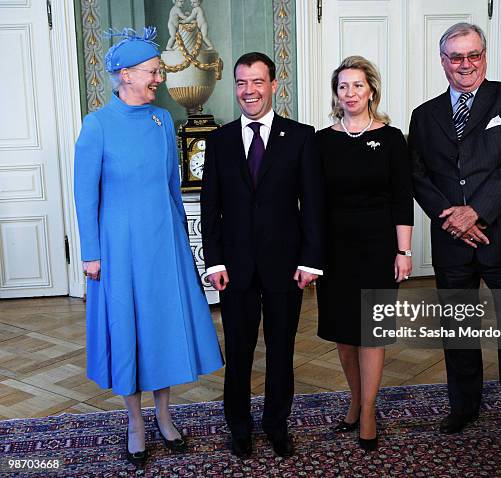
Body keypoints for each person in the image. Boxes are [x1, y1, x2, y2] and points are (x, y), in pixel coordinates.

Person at [74, 27, 223, 468]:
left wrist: (181, 240)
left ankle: (163, 415)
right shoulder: (97, 125)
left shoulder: (162, 122)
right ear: (125, 75)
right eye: (153, 71)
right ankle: (135, 422)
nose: (159, 78)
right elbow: (86, 195)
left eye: (158, 71)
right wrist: (91, 253)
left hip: (164, 246)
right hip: (119, 251)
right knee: (128, 331)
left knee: (161, 331)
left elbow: (173, 189)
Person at [407, 22, 501, 461]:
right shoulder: (424, 114)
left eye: (473, 55)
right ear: (443, 61)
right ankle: (463, 408)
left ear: (484, 56)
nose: (465, 65)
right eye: (455, 57)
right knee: (459, 332)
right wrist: (454, 220)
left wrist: (477, 211)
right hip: (452, 241)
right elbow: (418, 175)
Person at [200, 52, 324, 458]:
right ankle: (238, 426)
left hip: (286, 268)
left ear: (274, 85)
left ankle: (276, 424)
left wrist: (309, 261)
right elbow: (210, 208)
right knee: (237, 351)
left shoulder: (302, 137)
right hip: (233, 270)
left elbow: (313, 205)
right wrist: (215, 262)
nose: (248, 91)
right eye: (240, 83)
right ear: (233, 87)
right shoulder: (217, 142)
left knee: (281, 350)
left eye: (257, 82)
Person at [315, 56, 413, 452]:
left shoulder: (391, 138)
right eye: (343, 86)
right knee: (343, 334)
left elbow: (402, 199)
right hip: (334, 250)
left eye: (357, 85)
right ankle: (355, 401)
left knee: (371, 332)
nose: (350, 93)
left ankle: (369, 410)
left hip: (377, 248)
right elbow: (314, 201)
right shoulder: (321, 141)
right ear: (336, 94)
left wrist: (403, 250)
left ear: (371, 89)